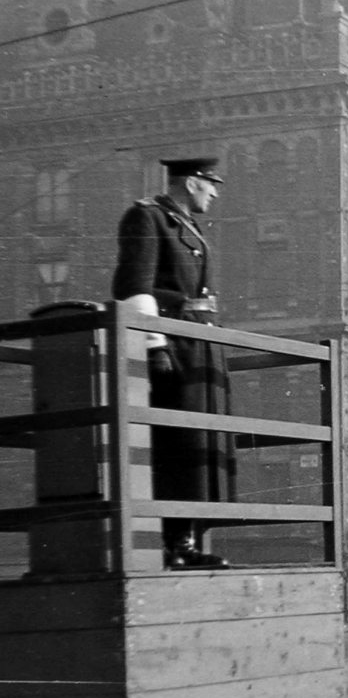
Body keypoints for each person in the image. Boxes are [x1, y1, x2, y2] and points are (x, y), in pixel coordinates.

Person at [112, 156, 234, 569]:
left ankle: (187, 540)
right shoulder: (146, 218)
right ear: (191, 182)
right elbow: (134, 285)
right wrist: (154, 344)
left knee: (201, 446)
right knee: (177, 445)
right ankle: (170, 543)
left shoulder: (189, 226)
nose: (215, 193)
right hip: (173, 348)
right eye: (211, 184)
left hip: (200, 345)